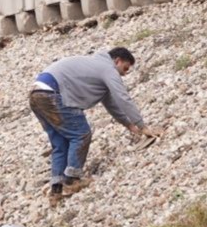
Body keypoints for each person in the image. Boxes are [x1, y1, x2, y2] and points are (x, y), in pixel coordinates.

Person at [29, 47, 159, 203]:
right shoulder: (107, 68)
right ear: (117, 61)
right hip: (54, 93)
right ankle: (72, 180)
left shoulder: (93, 67)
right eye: (124, 68)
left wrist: (129, 125)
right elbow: (123, 98)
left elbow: (111, 104)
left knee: (60, 142)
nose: (124, 74)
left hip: (36, 93)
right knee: (81, 134)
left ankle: (56, 189)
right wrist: (142, 125)